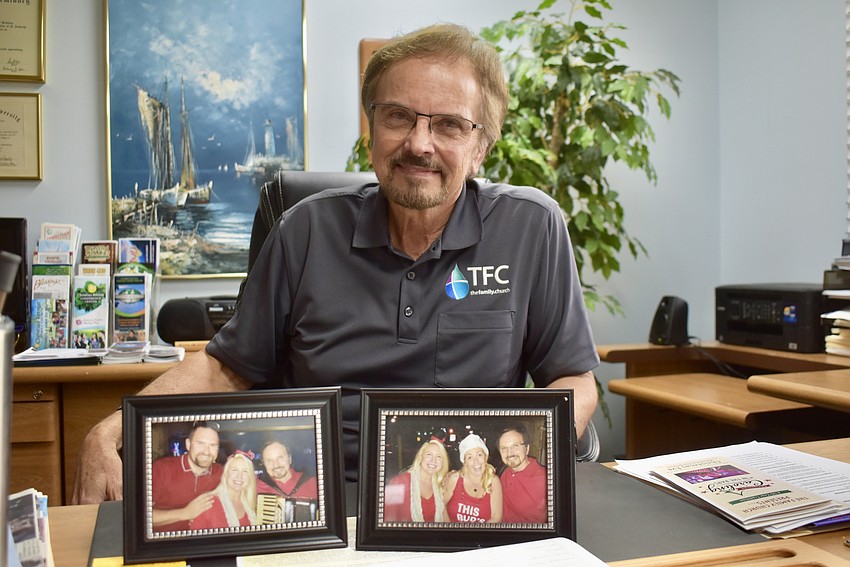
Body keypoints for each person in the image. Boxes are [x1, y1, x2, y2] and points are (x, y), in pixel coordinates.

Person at [72, 22, 599, 505]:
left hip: (465, 505)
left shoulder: (532, 227)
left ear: (481, 145)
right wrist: (112, 430)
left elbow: (573, 380)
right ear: (371, 130)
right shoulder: (305, 230)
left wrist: (517, 471)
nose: (419, 143)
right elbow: (224, 366)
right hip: (319, 508)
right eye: (398, 117)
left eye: (448, 125)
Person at [150, 422, 223, 532]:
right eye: (201, 444)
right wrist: (185, 513)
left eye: (213, 445)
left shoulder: (220, 472)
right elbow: (139, 516)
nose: (206, 451)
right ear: (188, 445)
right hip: (163, 543)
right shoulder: (162, 469)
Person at [384, 438, 449, 522]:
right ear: (420, 457)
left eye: (439, 457)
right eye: (429, 455)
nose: (434, 460)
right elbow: (386, 518)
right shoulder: (399, 482)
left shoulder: (440, 485)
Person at [444, 433, 503, 523]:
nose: (476, 461)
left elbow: (496, 518)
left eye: (479, 455)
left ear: (485, 457)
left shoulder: (493, 481)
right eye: (470, 457)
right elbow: (441, 505)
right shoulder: (455, 479)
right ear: (465, 462)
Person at [191, 451, 258, 529]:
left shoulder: (250, 503)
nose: (239, 476)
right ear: (226, 473)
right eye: (234, 470)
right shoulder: (208, 503)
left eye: (245, 471)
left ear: (250, 477)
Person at [498, 424, 547, 523]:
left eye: (515, 446)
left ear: (527, 448)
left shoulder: (546, 479)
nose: (509, 453)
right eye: (504, 448)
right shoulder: (502, 472)